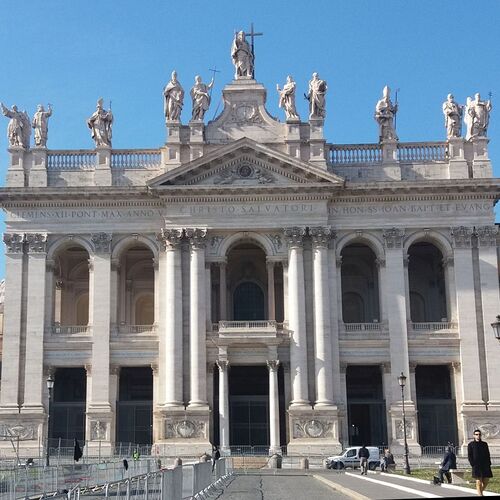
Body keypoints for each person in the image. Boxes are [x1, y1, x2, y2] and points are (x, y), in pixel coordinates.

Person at [468, 429, 492, 496]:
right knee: (478, 482)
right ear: (474, 435)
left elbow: (488, 454)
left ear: (481, 435)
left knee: (486, 481)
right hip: (476, 465)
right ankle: (480, 495)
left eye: (479, 434)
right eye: (476, 434)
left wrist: (489, 463)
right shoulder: (471, 444)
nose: (478, 436)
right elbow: (469, 455)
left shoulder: (484, 444)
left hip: (485, 465)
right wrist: (472, 464)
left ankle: (480, 492)